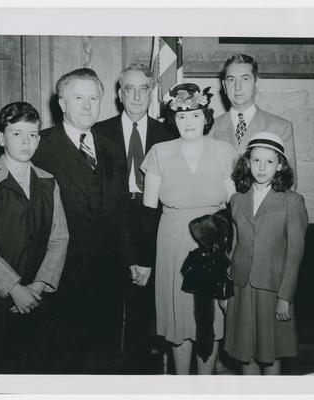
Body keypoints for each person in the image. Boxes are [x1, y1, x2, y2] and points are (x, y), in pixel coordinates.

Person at [0, 68, 135, 374]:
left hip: (108, 281)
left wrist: (132, 259)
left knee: (106, 364)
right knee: (62, 366)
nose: (87, 106)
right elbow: (4, 164)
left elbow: (121, 210)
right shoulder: (38, 143)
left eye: (93, 98)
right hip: (60, 283)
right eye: (78, 98)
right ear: (62, 104)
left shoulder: (112, 149)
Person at [0, 102, 69, 373]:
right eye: (17, 134)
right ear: (1, 138)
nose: (26, 142)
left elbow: (59, 238)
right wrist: (15, 289)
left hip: (37, 299)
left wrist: (38, 286)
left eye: (33, 135)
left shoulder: (49, 181)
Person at [140, 83, 236, 375]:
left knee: (210, 320)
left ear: (206, 117)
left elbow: (235, 205)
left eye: (195, 115)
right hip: (173, 242)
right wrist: (144, 260)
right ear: (173, 119)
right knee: (179, 318)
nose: (189, 122)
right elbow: (147, 210)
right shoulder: (159, 152)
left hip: (214, 239)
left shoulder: (224, 151)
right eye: (182, 116)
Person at [94, 63, 175, 373]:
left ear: (151, 92)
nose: (137, 95)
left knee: (145, 305)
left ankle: (141, 376)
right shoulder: (100, 132)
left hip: (151, 219)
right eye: (130, 88)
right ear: (119, 94)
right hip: (112, 221)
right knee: (110, 304)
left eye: (144, 88)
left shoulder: (167, 133)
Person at [223, 131, 308, 375]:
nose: (262, 167)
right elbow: (233, 246)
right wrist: (225, 289)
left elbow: (295, 254)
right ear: (247, 162)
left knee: (270, 355)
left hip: (272, 290)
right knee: (244, 353)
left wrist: (285, 297)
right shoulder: (237, 199)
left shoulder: (292, 201)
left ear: (280, 165)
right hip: (241, 288)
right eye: (256, 160)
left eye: (269, 162)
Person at [210, 54, 298, 186]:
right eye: (231, 80)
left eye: (245, 79)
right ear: (224, 85)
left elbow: (288, 185)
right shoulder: (209, 128)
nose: (237, 87)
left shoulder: (281, 128)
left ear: (256, 82)